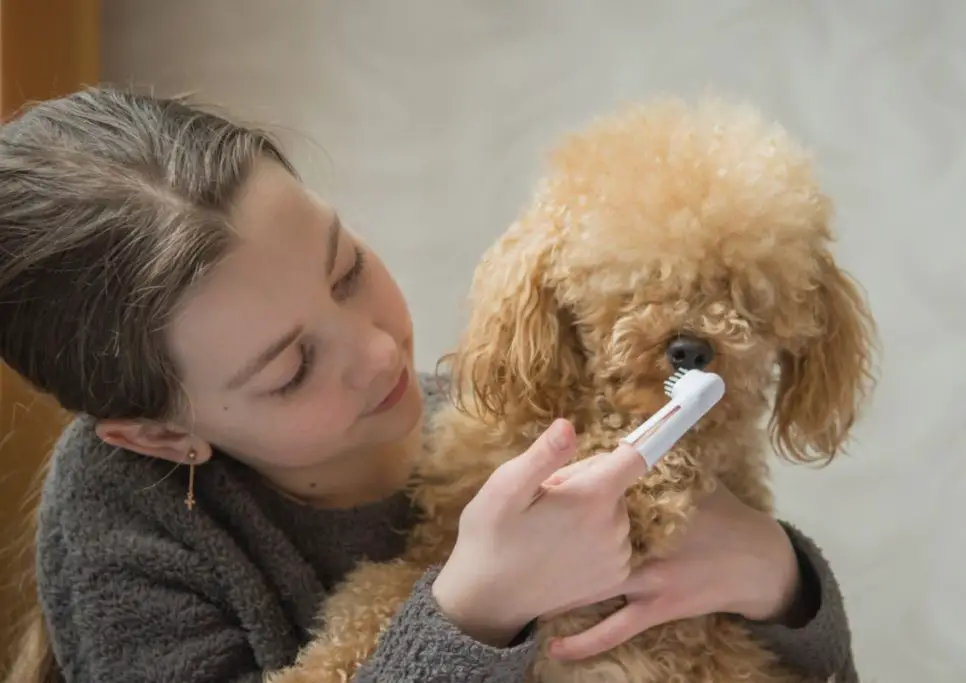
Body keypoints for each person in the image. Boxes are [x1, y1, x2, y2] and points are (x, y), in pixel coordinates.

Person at [0, 87, 858, 683]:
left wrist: (778, 575)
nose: (379, 354)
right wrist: (475, 608)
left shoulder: (501, 412)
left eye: (346, 271)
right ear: (160, 434)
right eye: (292, 368)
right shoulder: (122, 524)